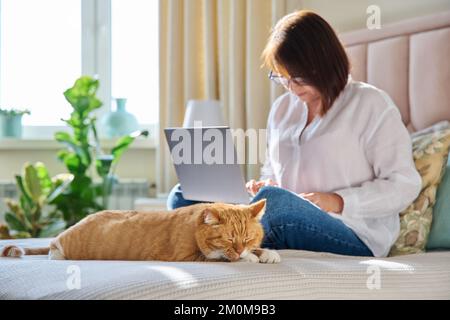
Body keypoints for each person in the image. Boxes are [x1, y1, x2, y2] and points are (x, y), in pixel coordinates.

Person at [167, 10, 422, 258]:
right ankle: (214, 244)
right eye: (282, 77)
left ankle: (205, 244)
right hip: (286, 213)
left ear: (324, 64)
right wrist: (263, 185)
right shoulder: (282, 109)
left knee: (276, 203)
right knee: (184, 195)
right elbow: (272, 172)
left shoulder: (370, 103)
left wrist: (337, 201)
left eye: (297, 77)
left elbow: (404, 185)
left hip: (354, 231)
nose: (291, 87)